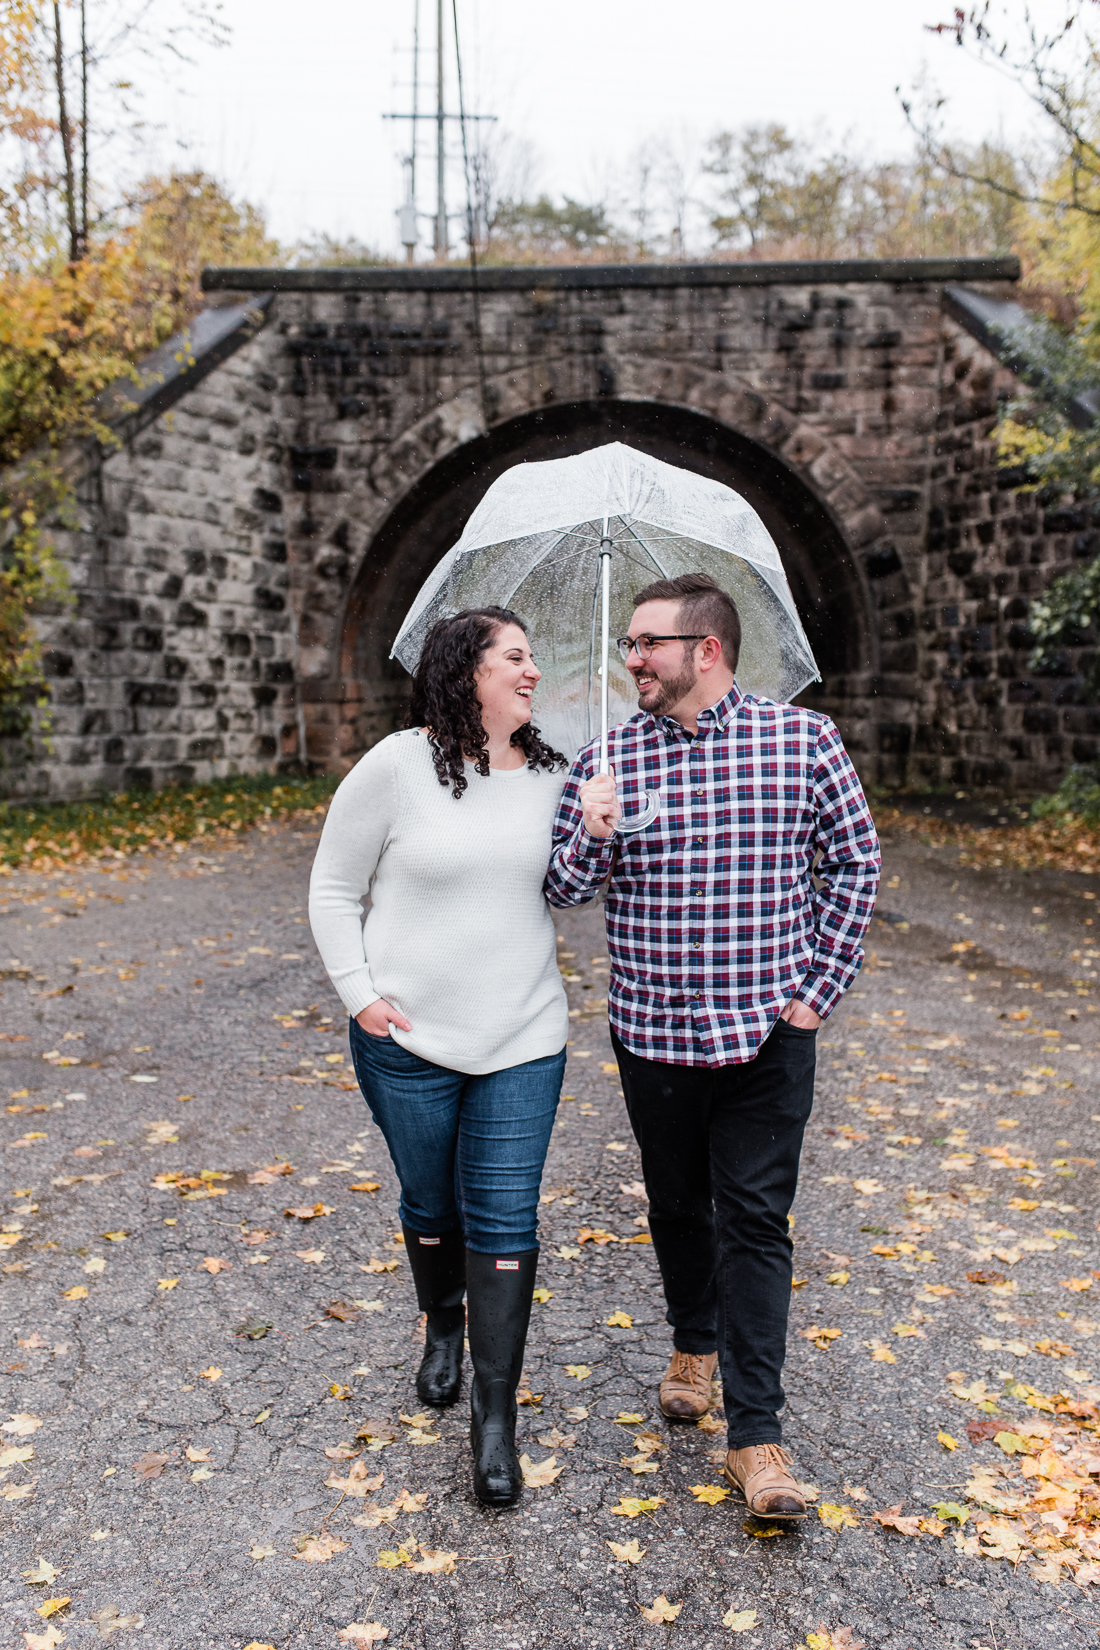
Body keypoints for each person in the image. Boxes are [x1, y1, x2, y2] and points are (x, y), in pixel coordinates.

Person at [545, 572, 879, 1521]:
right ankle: (692, 1338)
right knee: (679, 1202)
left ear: (709, 651)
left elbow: (855, 861)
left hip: (767, 1035)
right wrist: (596, 831)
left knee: (755, 1221)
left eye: (649, 642)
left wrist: (814, 995)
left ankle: (756, 1439)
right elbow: (563, 891)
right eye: (629, 644)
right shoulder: (605, 759)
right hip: (652, 1035)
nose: (633, 659)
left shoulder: (802, 741)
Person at [308, 607, 569, 1508]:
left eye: (533, 659)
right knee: (430, 1198)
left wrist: (604, 828)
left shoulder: (556, 775)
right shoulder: (395, 766)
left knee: (504, 1222)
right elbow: (334, 888)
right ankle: (441, 1326)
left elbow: (574, 885)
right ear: (465, 672)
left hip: (523, 1038)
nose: (533, 673)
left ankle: (494, 1424)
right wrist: (362, 998)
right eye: (515, 658)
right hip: (407, 1040)